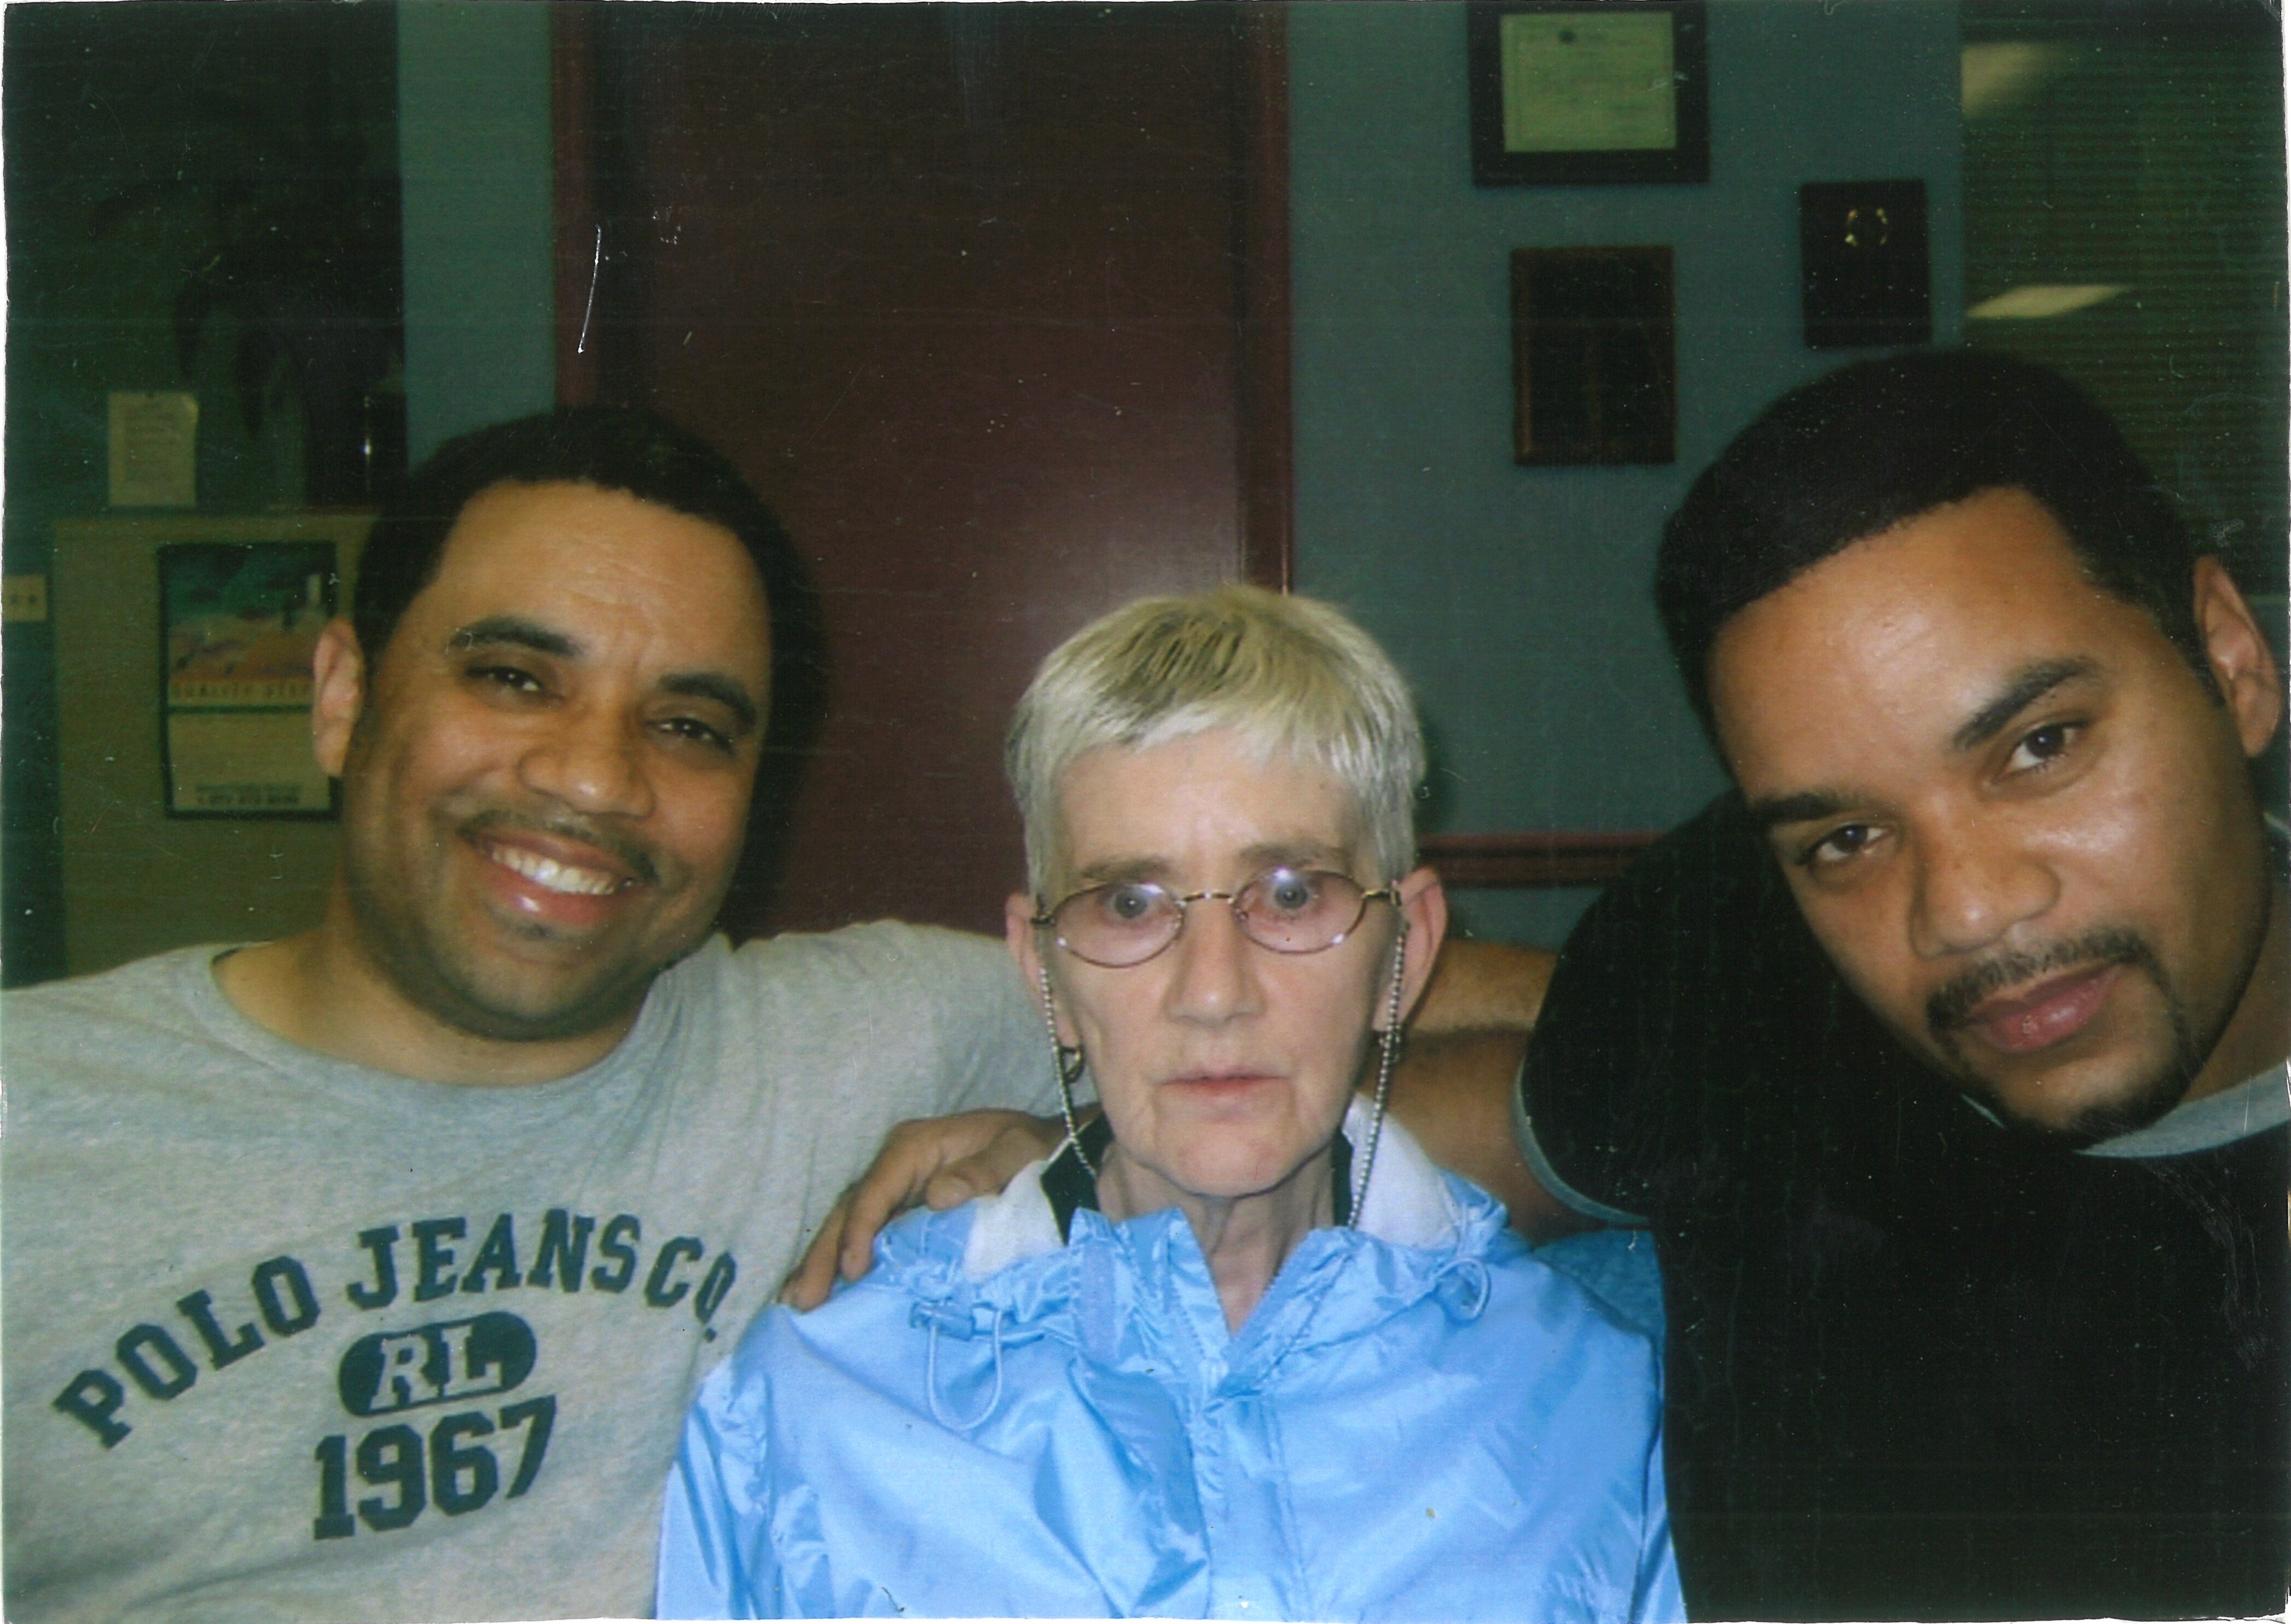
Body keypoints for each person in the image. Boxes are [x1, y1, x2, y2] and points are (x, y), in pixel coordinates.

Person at [0, 407, 1069, 1623]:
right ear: (344, 697)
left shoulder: (865, 1039)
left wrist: (1078, 1153)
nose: (597, 776)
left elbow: (1298, 1066)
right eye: (514, 679)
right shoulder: (37, 1122)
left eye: (688, 728)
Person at [658, 587, 1681, 1622]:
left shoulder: (1600, 1404)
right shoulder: (809, 1406)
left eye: (1290, 894)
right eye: (1129, 904)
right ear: (1046, 973)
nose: (1212, 994)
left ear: (1404, 952)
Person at [1516, 351, 2289, 1617]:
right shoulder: (1724, 977)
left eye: (2040, 747)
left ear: (2234, 661)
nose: (1966, 911)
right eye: (1847, 839)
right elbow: (1451, 1084)